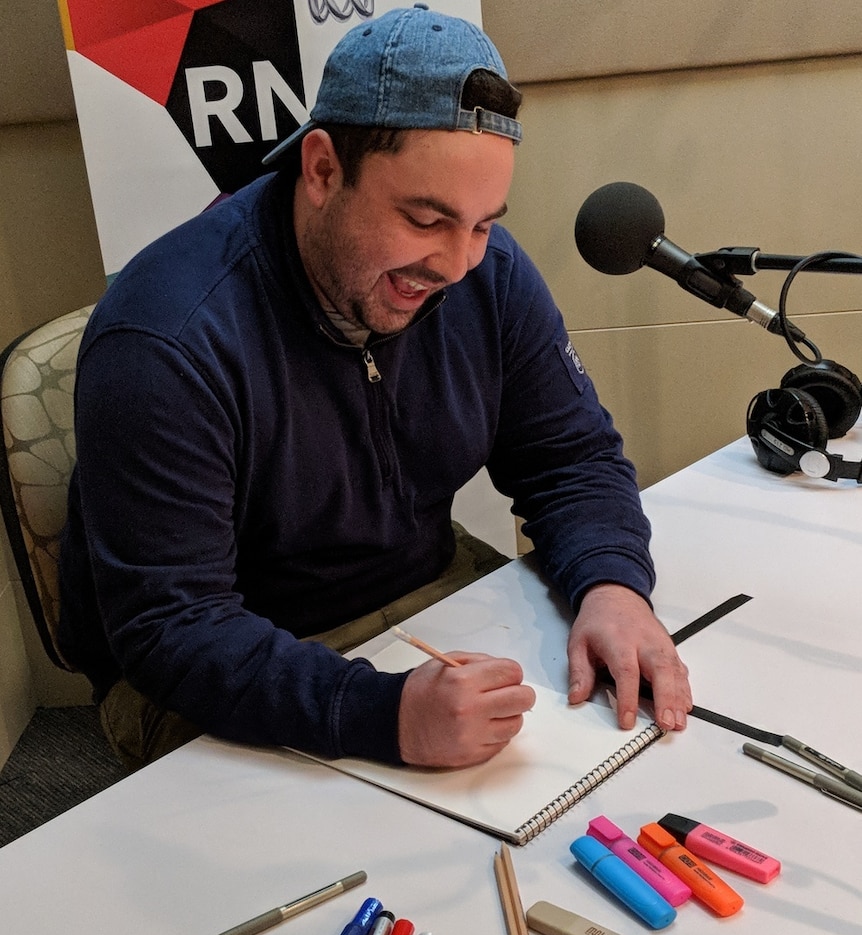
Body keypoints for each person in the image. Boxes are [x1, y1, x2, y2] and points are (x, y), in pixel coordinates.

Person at [58, 4, 691, 772]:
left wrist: (613, 583)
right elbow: (172, 628)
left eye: (484, 223)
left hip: (426, 593)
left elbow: (572, 457)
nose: (457, 263)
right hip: (217, 662)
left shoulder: (489, 274)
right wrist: (379, 715)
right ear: (322, 169)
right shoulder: (165, 339)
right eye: (426, 219)